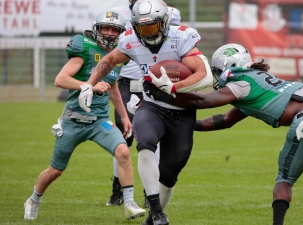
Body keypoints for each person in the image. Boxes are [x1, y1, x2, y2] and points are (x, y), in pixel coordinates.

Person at [143, 43, 303, 225]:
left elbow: (203, 101)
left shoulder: (241, 82)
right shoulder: (260, 79)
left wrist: (169, 92)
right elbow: (226, 120)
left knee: (283, 180)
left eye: (218, 71)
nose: (218, 77)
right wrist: (187, 126)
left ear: (228, 67)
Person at [77, 0, 213, 224]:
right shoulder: (130, 40)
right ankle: (158, 211)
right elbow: (109, 60)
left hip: (182, 109)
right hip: (152, 105)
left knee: (170, 174)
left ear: (165, 22)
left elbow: (205, 74)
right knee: (146, 143)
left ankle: (153, 219)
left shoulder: (181, 37)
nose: (147, 33)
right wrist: (88, 84)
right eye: (142, 28)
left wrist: (176, 87)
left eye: (152, 27)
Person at [23, 10, 146, 221]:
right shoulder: (85, 50)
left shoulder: (118, 56)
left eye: (113, 29)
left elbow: (114, 88)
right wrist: (88, 85)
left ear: (120, 33)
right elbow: (60, 79)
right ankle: (34, 199)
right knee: (55, 170)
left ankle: (129, 203)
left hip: (99, 122)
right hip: (73, 121)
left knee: (123, 153)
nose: (108, 33)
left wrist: (124, 117)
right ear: (97, 30)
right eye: (105, 28)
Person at [107, 0, 182, 208]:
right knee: (123, 137)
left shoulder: (169, 13)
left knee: (151, 139)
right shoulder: (117, 12)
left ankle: (151, 192)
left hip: (154, 82)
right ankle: (118, 188)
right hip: (125, 82)